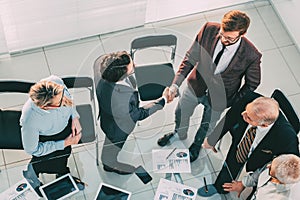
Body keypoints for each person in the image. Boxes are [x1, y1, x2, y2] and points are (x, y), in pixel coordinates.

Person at [157, 10, 262, 163]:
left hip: (221, 96)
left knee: (208, 125)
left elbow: (252, 84)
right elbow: (190, 57)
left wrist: (232, 101)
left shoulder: (251, 54)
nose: (223, 39)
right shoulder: (208, 29)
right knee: (181, 112)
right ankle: (179, 133)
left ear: (242, 34)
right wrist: (175, 85)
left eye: (229, 38)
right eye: (222, 34)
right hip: (196, 85)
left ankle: (196, 145)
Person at [198, 91, 299, 197]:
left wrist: (245, 183)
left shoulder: (287, 138)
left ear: (264, 125)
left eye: (249, 118)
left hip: (263, 161)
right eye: (246, 111)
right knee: (233, 159)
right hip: (242, 140)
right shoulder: (250, 99)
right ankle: (220, 187)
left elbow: (288, 169)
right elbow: (230, 117)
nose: (243, 115)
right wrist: (212, 139)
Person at [95, 51, 169, 175]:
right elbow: (138, 114)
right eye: (131, 65)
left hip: (109, 116)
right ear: (121, 74)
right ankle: (109, 164)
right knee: (113, 145)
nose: (135, 64)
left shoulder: (103, 69)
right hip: (117, 128)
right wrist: (163, 100)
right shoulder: (121, 101)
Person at [20, 75, 85, 192]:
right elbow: (33, 149)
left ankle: (62, 173)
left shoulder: (56, 83)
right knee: (48, 158)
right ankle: (33, 171)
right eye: (60, 102)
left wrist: (74, 116)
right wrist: (64, 143)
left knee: (65, 154)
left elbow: (67, 97)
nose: (65, 100)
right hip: (46, 137)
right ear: (46, 107)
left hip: (63, 127)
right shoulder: (30, 119)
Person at [223, 154, 300, 200]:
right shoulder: (278, 165)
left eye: (270, 169)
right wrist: (244, 183)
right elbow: (259, 172)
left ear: (277, 181)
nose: (268, 165)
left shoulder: (281, 197)